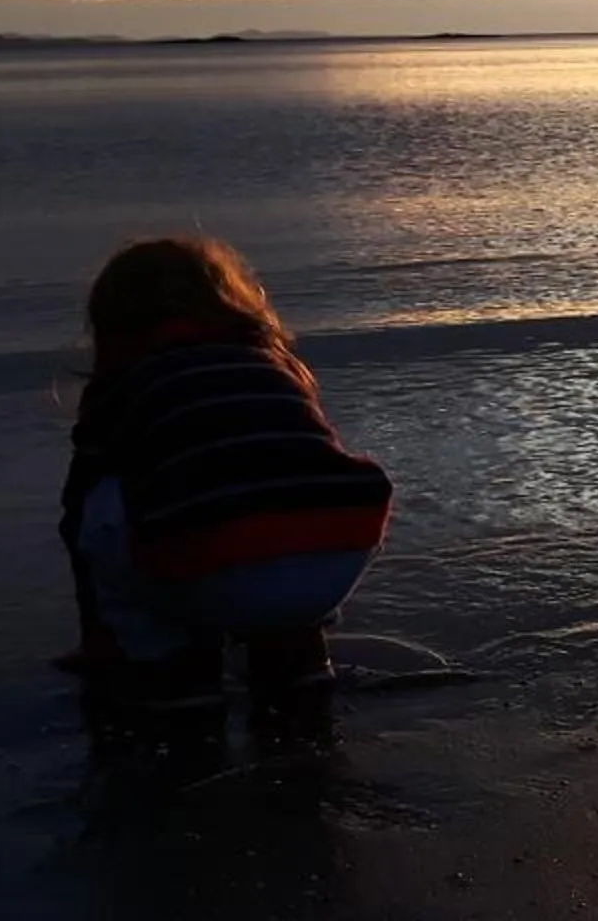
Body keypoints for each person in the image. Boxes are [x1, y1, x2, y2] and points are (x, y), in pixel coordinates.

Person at [59, 237, 392, 707]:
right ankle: (299, 657)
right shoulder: (275, 363)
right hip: (337, 554)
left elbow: (77, 513)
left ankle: (171, 663)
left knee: (104, 500)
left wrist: (95, 635)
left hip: (211, 568)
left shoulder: (125, 382)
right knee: (279, 473)